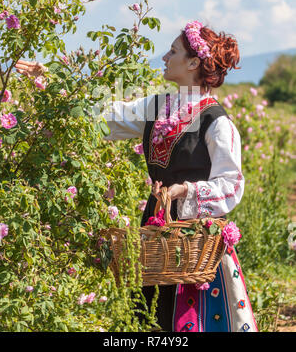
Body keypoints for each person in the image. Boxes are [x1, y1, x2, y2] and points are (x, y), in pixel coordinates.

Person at [15, 20, 258, 332]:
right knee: (150, 315)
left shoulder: (216, 122)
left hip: (198, 242)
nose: (165, 57)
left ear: (194, 62)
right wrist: (53, 80)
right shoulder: (158, 107)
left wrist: (184, 190)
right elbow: (103, 113)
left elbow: (231, 185)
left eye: (173, 51)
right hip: (156, 231)